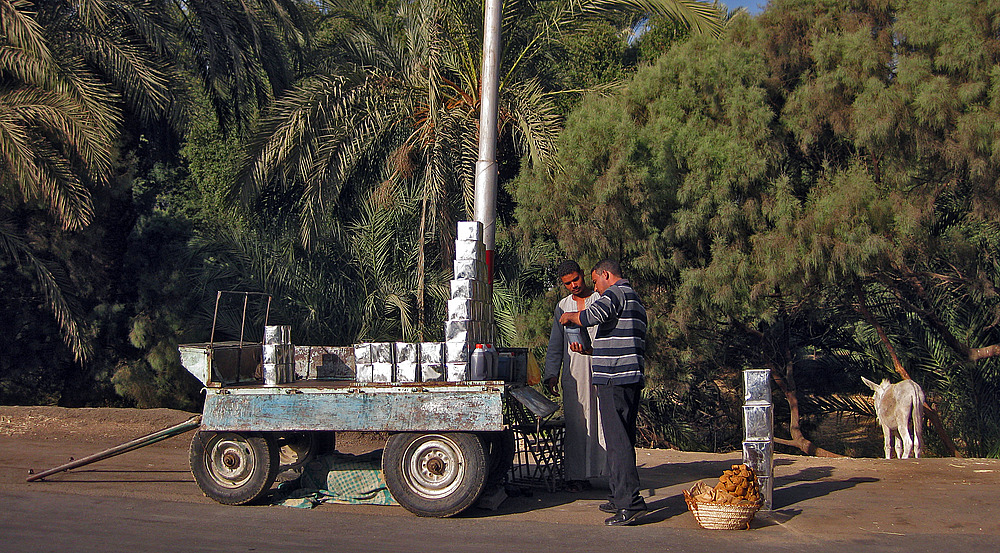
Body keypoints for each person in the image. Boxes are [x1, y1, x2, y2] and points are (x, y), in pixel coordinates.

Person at [559, 258, 647, 526]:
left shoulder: (615, 293)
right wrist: (590, 350)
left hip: (614, 378)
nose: (594, 288)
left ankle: (629, 505)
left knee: (616, 441)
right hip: (630, 377)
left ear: (605, 274)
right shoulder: (636, 301)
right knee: (624, 438)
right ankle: (621, 494)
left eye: (595, 281)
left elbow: (592, 315)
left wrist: (570, 317)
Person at [543, 260, 605, 492]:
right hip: (574, 371)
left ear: (583, 275)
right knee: (578, 423)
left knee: (602, 418)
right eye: (567, 284)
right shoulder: (563, 305)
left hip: (600, 365)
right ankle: (576, 475)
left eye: (576, 280)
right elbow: (556, 343)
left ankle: (606, 471)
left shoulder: (601, 300)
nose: (573, 286)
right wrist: (551, 373)